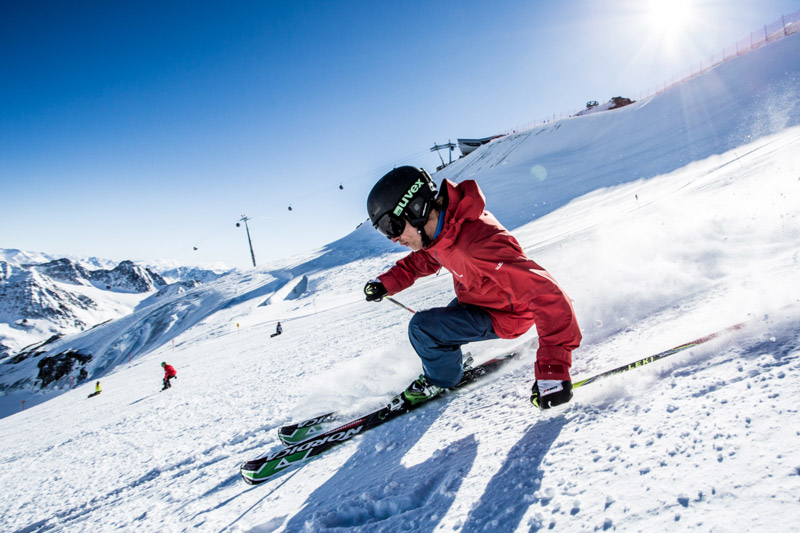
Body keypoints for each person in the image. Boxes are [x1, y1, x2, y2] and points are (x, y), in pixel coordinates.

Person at [364, 166, 581, 409]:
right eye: (384, 232)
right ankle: (449, 365)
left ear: (415, 208)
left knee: (423, 329)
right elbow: (424, 259)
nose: (393, 238)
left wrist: (553, 370)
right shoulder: (442, 231)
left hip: (506, 315)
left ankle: (441, 379)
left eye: (392, 226)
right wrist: (385, 283)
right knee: (435, 330)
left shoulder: (478, 243)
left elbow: (545, 293)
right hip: (480, 300)